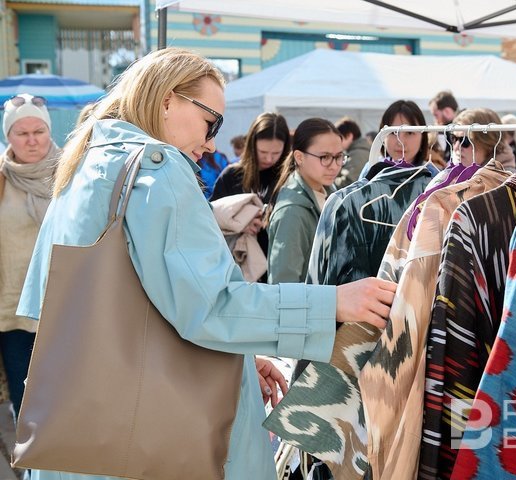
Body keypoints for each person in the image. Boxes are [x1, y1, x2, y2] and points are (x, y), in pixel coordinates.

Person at [16, 48, 396, 480]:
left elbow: (69, 305)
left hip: (85, 427)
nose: (213, 140)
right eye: (210, 120)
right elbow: (211, 305)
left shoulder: (86, 163)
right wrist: (333, 304)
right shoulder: (156, 170)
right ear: (166, 101)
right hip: (151, 440)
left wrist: (230, 358)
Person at [0, 94, 59, 421]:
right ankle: (33, 468)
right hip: (14, 313)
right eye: (22, 133)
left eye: (39, 131)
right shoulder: (1, 177)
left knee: (68, 397)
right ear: (7, 136)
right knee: (26, 408)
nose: (32, 140)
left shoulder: (70, 173)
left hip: (64, 308)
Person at [266, 118, 345, 283]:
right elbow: (284, 286)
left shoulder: (331, 193)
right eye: (325, 157)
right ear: (299, 157)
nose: (334, 165)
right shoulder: (292, 212)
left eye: (339, 157)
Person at [210, 112, 291, 257]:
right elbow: (212, 216)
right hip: (238, 261)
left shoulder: (290, 177)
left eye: (276, 153)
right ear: (252, 145)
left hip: (278, 260)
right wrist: (240, 223)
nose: (269, 158)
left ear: (285, 149)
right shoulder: (231, 176)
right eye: (263, 151)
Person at [381, 99, 429, 166]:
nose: (400, 143)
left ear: (423, 137)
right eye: (393, 132)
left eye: (409, 133)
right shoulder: (371, 168)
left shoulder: (433, 174)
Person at [334, 116, 370, 188]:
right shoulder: (359, 151)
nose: (336, 142)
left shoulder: (358, 154)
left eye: (339, 137)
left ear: (349, 136)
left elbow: (349, 183)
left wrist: (329, 182)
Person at [429, 90, 459, 164]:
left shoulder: (459, 130)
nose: (435, 120)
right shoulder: (447, 130)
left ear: (447, 111)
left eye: (436, 115)